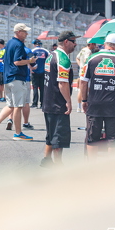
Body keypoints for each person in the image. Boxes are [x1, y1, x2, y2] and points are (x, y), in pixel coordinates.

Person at [79, 33, 115, 155]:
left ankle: (91, 165)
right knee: (114, 140)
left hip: (94, 104)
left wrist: (84, 100)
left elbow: (83, 82)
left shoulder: (92, 58)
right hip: (114, 105)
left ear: (105, 44)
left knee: (92, 138)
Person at [0, 23, 36, 141]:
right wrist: (29, 61)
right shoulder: (19, 44)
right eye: (24, 32)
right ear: (18, 32)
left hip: (8, 78)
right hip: (17, 78)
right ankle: (18, 133)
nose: (27, 34)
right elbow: (17, 62)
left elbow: (7, 60)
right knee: (18, 106)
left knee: (11, 105)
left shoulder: (9, 43)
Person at [40, 31, 77, 167]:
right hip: (57, 102)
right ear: (66, 41)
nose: (75, 44)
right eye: (73, 41)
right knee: (58, 136)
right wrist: (68, 101)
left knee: (51, 133)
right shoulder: (63, 58)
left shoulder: (51, 55)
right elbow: (62, 83)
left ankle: (46, 159)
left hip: (48, 101)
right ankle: (58, 164)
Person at [75, 40, 98, 112]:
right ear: (91, 44)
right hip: (86, 71)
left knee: (80, 88)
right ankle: (83, 106)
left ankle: (79, 106)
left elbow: (77, 58)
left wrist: (80, 65)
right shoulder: (88, 51)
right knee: (85, 88)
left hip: (81, 70)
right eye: (94, 44)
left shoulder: (83, 50)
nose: (95, 45)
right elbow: (86, 60)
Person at [30, 39, 49, 109]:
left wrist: (31, 68)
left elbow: (29, 59)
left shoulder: (32, 51)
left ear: (34, 44)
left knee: (35, 88)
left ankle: (35, 103)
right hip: (43, 71)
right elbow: (49, 60)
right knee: (42, 88)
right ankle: (42, 103)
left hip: (35, 71)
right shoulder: (46, 51)